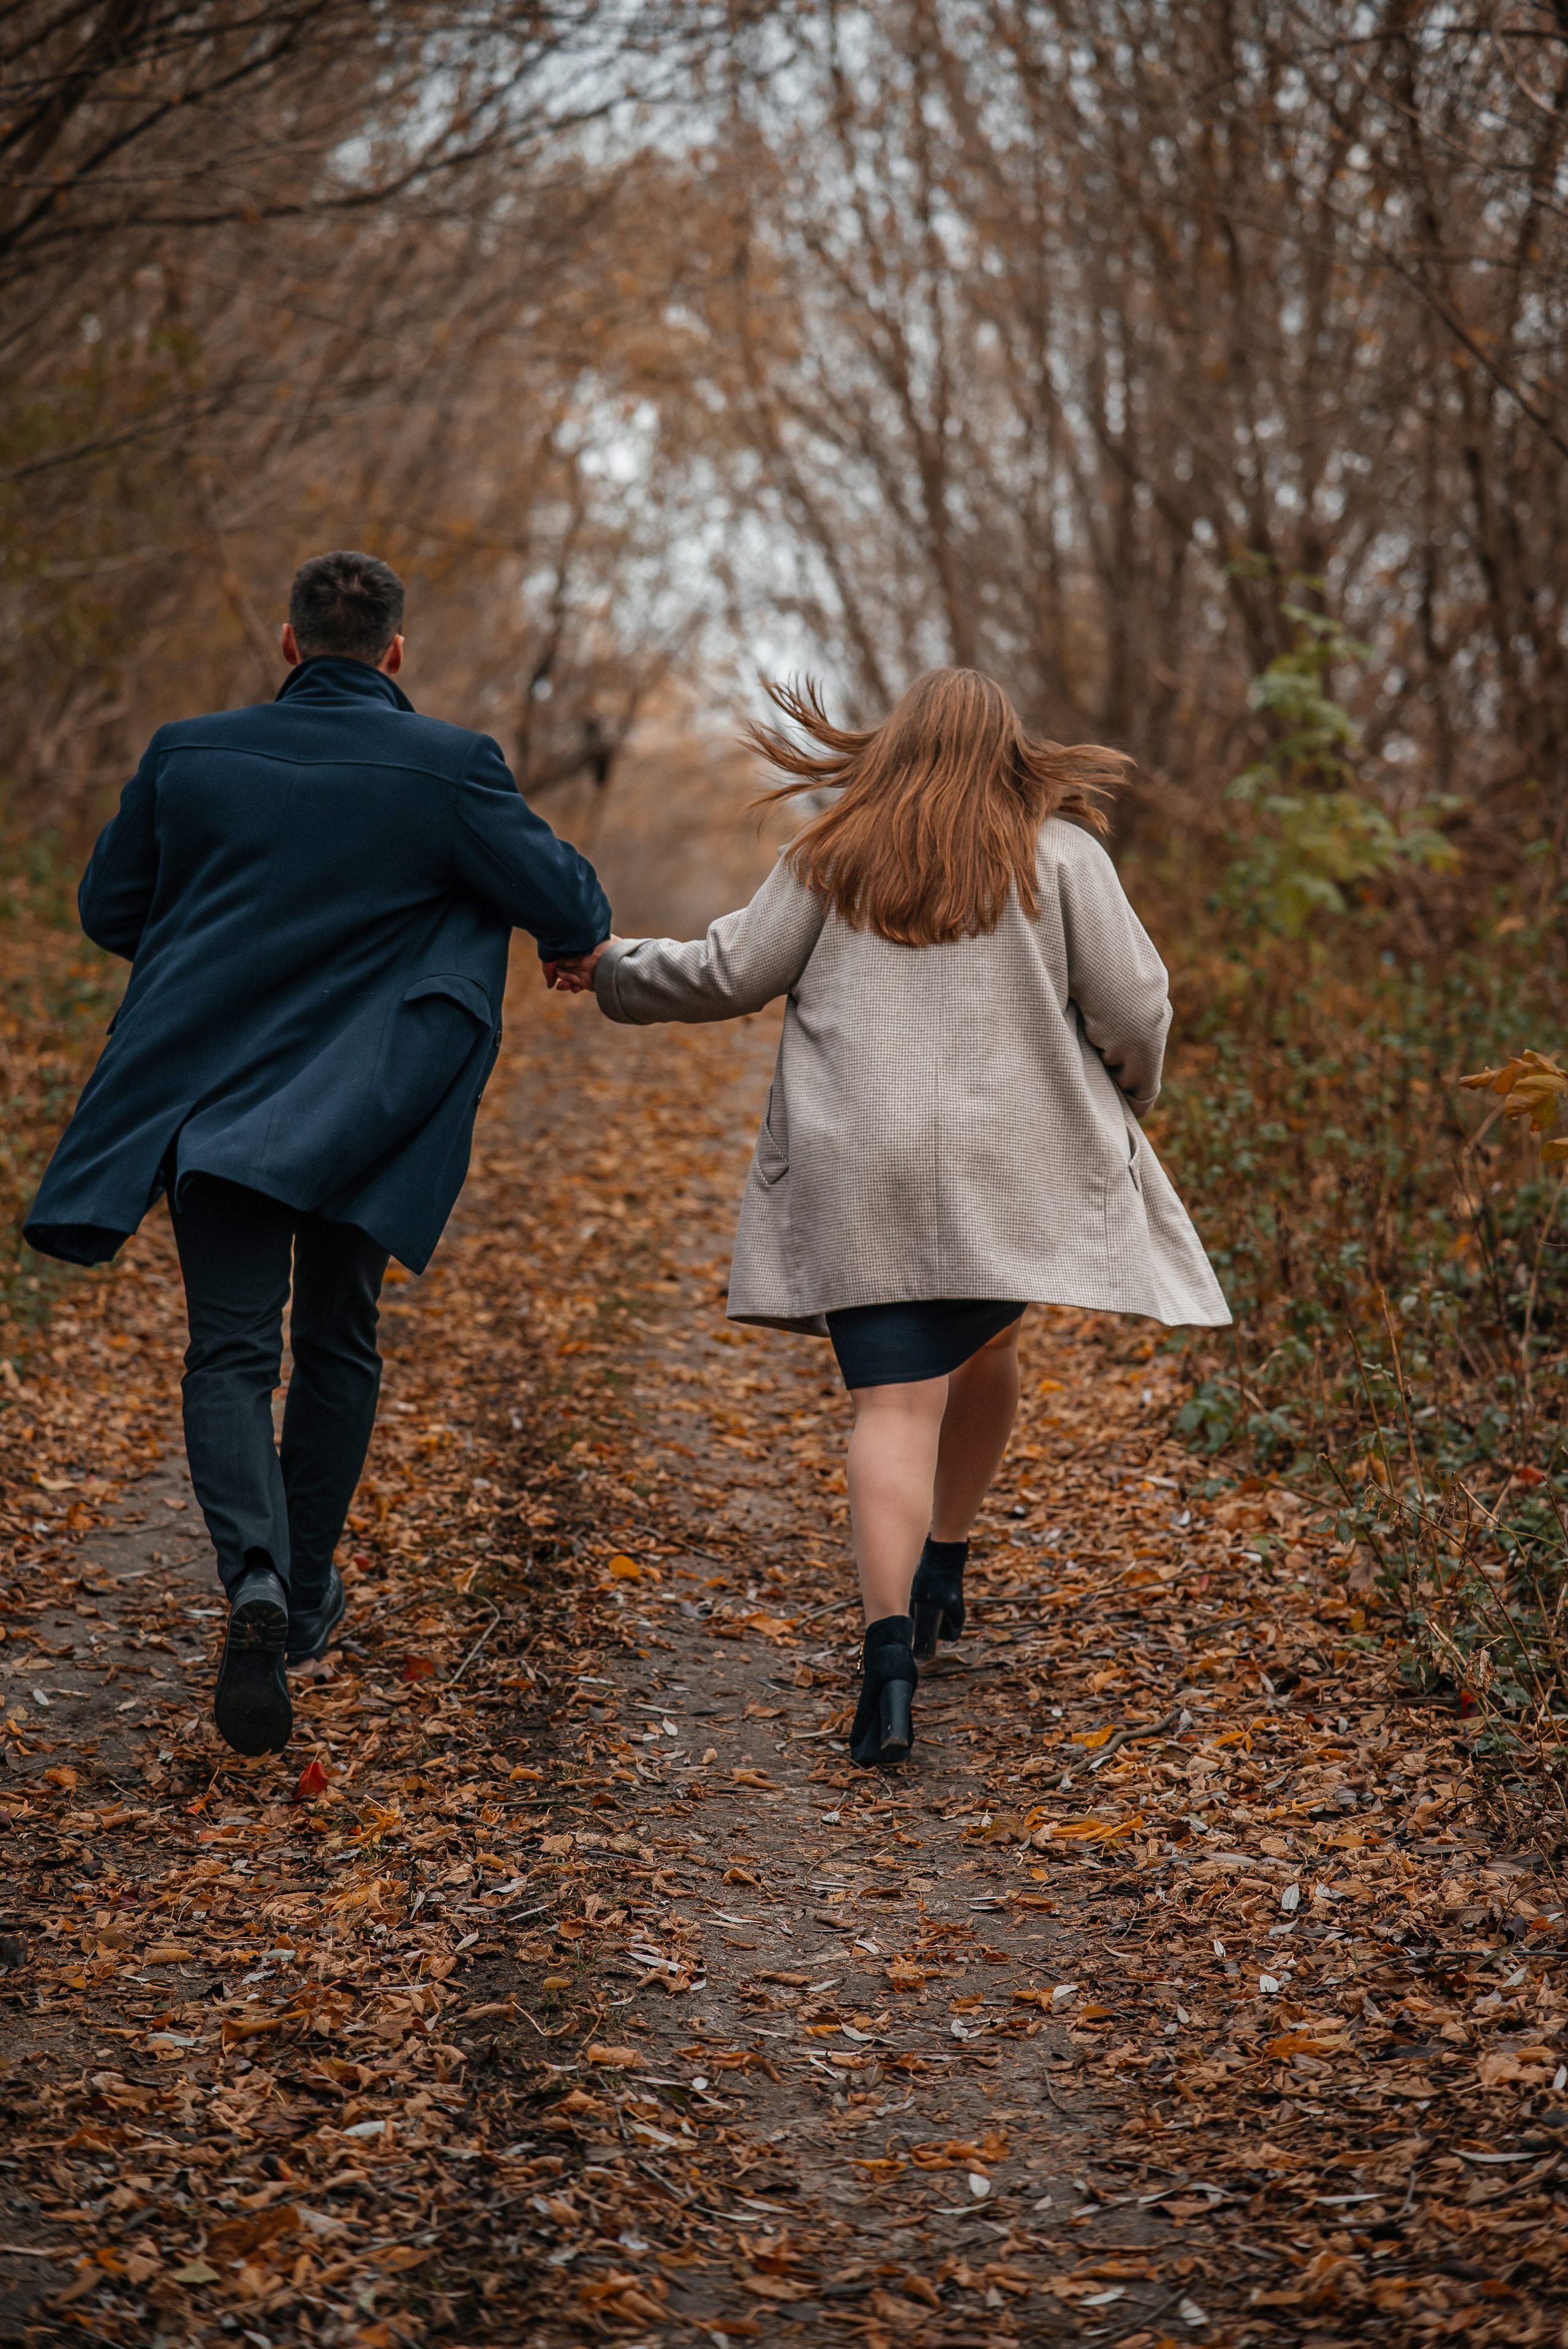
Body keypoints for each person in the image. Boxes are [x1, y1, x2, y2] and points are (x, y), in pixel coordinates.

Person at [561, 668, 1229, 1768]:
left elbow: (729, 971)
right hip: (1007, 1166)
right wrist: (1129, 1092)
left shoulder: (833, 854)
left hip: (858, 1168)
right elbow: (1137, 1006)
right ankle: (946, 1564)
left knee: (892, 1406)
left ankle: (888, 1670)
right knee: (990, 1338)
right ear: (1009, 750)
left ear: (894, 746)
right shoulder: (1059, 857)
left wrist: (610, 970)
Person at [25, 551, 611, 1757]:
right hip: (368, 1105)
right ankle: (299, 1595)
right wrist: (493, 916)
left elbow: (106, 908)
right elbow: (567, 900)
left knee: (228, 1351)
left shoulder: (188, 753)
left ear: (289, 646)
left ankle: (252, 1578)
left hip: (212, 1094)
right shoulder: (452, 768)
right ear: (394, 653)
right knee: (336, 1338)